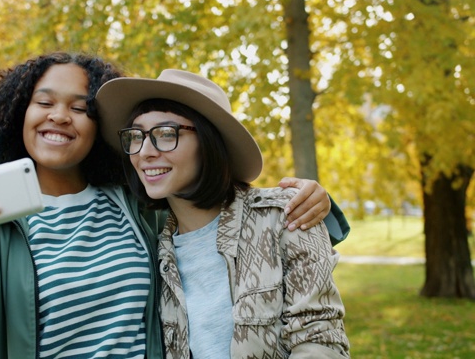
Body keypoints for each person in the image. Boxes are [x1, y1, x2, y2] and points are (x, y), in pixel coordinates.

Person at [0, 52, 345, 359]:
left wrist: (316, 200)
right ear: (16, 114)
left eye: (81, 108)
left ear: (98, 129)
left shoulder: (137, 205)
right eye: (44, 102)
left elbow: (227, 213)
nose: (60, 115)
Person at [96, 69, 351, 358]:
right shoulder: (151, 247)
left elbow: (320, 342)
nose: (145, 152)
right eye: (136, 136)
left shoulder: (284, 216)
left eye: (166, 134)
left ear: (208, 142)